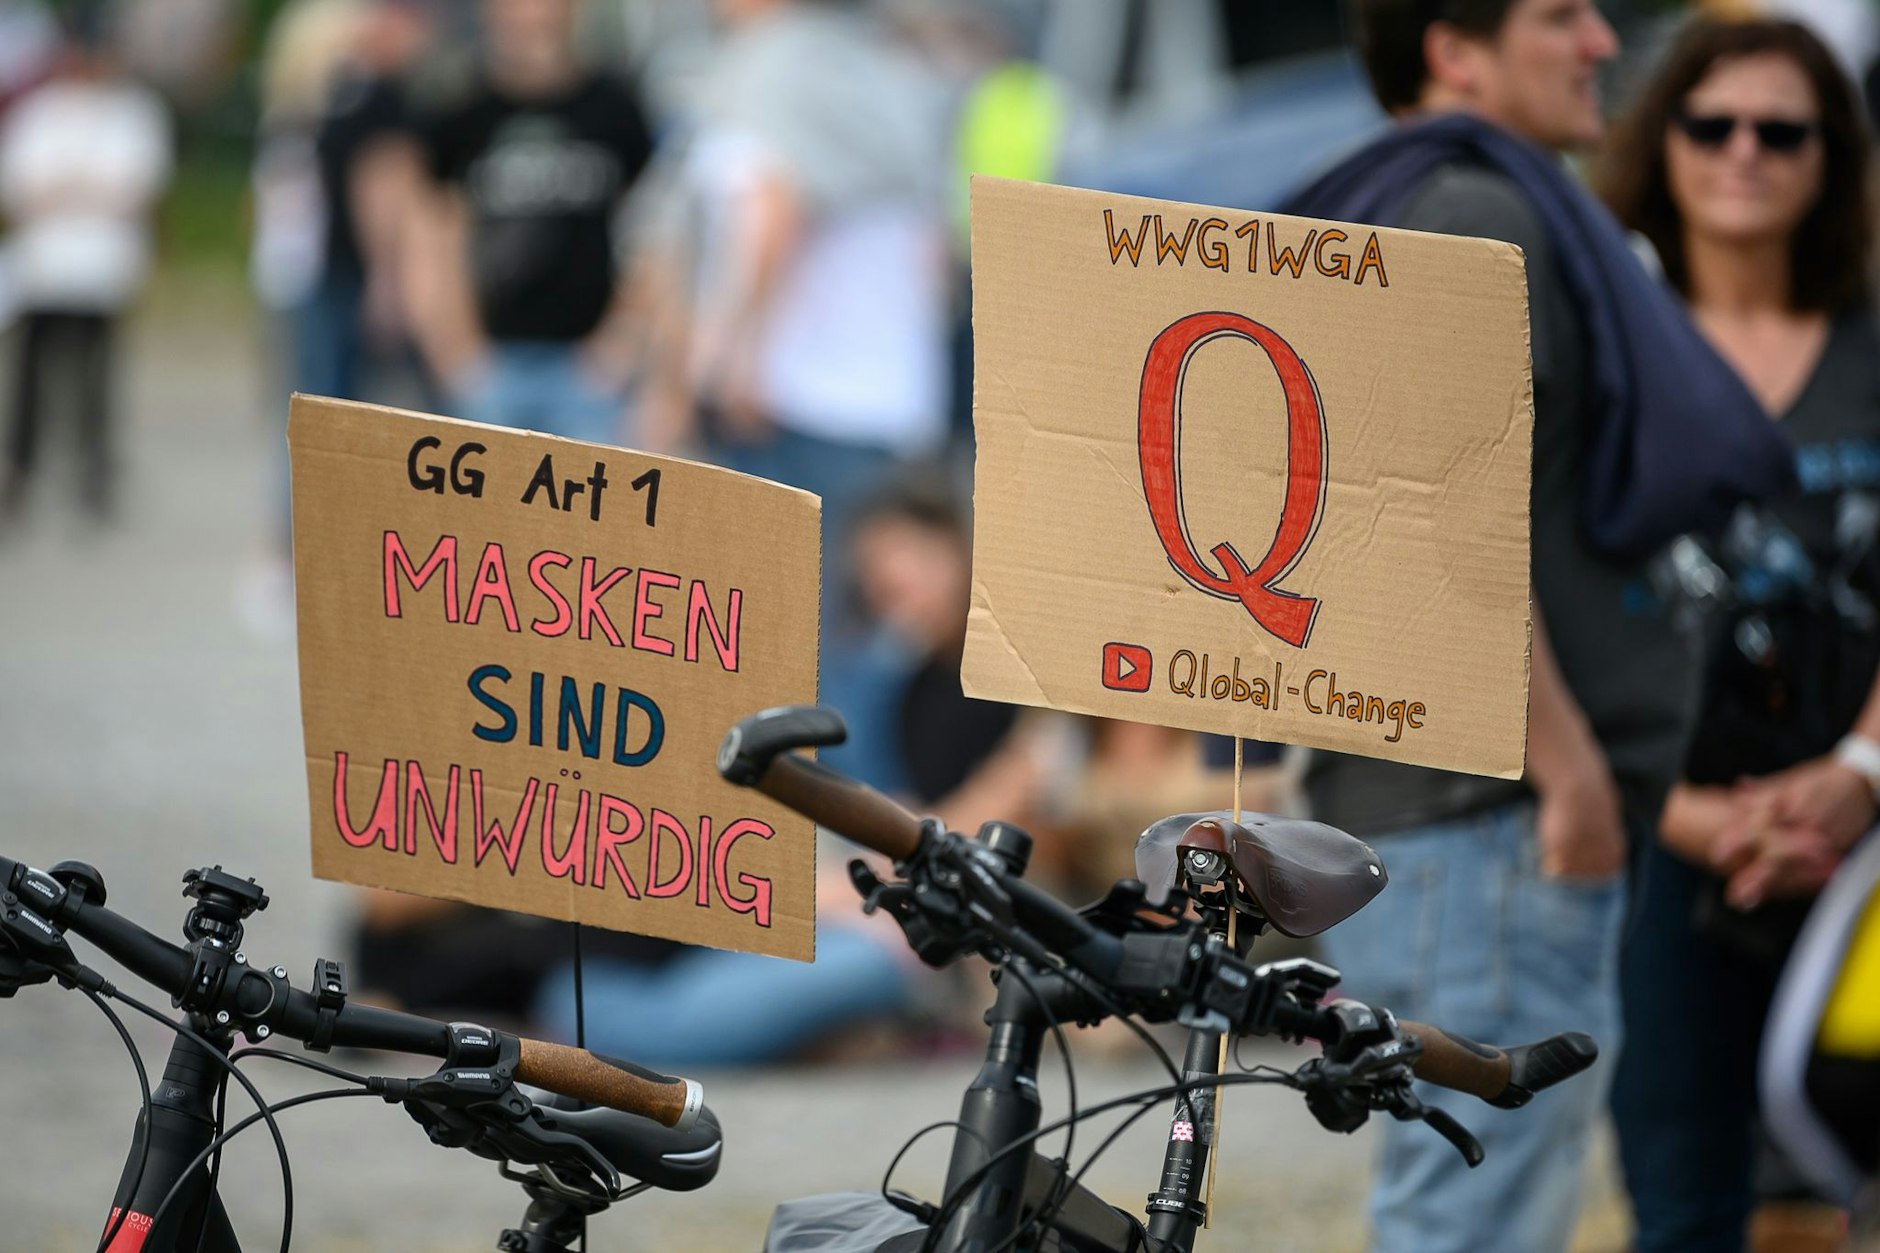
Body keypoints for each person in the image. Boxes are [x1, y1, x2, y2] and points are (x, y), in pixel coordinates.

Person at [1277, 2, 1792, 1249]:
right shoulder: (1473, 210)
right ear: (1452, 50)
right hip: (1490, 826)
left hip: (1452, 822)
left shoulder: (1416, 202)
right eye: (1559, 16)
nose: (1602, 45)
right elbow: (1437, 530)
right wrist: (1561, 771)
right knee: (1477, 1211)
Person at [1599, 20, 1880, 1250]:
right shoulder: (1602, 356)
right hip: (1663, 839)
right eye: (1710, 124)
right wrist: (1685, 814)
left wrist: (1856, 778)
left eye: (1782, 129)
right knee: (1681, 1192)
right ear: (1660, 145)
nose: (1743, 153)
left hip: (1865, 829)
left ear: (1830, 155)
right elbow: (1547, 613)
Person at [405, 0, 654, 445]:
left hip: (590, 370)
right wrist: (454, 352)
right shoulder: (461, 111)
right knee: (479, 516)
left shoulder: (616, 109)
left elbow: (651, 233)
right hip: (489, 366)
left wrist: (622, 341)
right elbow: (431, 234)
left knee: (591, 516)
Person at [0, 10, 169, 520]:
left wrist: (70, 189)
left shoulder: (132, 111)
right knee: (31, 377)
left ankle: (94, 474)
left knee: (96, 379)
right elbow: (22, 189)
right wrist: (85, 190)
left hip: (102, 271)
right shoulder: (40, 112)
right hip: (45, 270)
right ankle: (21, 471)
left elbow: (135, 188)